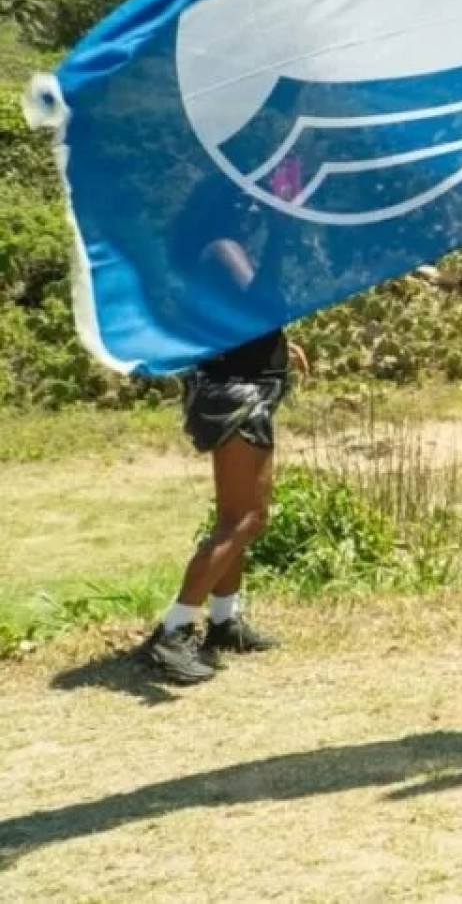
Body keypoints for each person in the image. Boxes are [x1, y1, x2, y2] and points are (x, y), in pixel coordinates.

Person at [137, 249, 307, 685]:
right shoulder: (221, 244)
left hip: (242, 387)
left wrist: (278, 349)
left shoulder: (217, 242)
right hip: (237, 396)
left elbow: (235, 316)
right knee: (245, 518)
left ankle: (223, 620)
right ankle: (172, 632)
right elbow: (260, 302)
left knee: (238, 516)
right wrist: (280, 240)